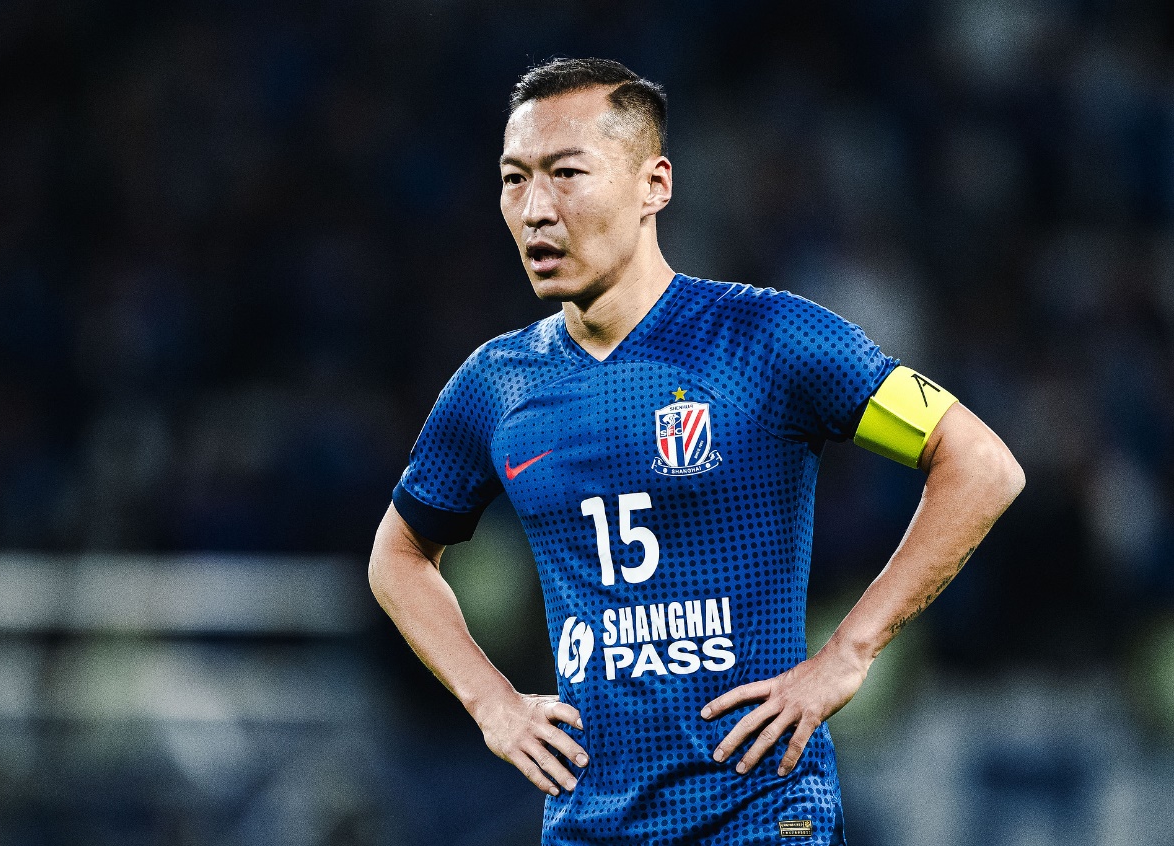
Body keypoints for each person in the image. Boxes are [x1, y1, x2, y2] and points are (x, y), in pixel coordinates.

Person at [369, 57, 1024, 845]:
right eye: (514, 180)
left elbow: (979, 463)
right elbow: (398, 556)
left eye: (566, 173)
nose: (536, 209)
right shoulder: (494, 384)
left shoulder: (771, 338)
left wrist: (849, 651)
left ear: (655, 185)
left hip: (760, 814)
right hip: (589, 824)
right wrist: (491, 703)